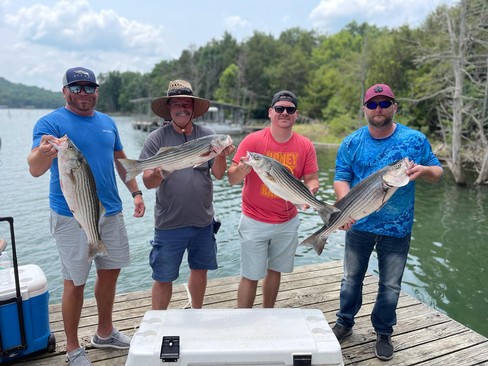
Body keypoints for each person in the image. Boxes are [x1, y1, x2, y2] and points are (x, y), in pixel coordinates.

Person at [27, 67, 146, 366]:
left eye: (89, 87)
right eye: (77, 87)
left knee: (110, 271)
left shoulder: (107, 122)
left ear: (97, 91)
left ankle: (104, 333)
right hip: (71, 215)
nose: (84, 93)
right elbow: (35, 167)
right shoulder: (50, 122)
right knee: (74, 282)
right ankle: (71, 348)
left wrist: (136, 192)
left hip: (110, 211)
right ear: (65, 91)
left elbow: (121, 162)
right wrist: (44, 153)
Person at [331, 83, 443, 361]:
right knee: (350, 279)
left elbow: (438, 172)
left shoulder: (414, 140)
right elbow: (341, 177)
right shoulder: (351, 143)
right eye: (372, 104)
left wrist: (424, 169)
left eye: (384, 103)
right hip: (360, 226)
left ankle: (383, 332)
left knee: (391, 285)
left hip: (398, 230)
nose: (378, 109)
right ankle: (344, 322)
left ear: (394, 106)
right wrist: (346, 210)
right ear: (365, 109)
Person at [140, 79, 235, 310]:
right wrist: (163, 169)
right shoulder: (157, 138)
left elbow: (220, 174)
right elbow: (148, 182)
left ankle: (196, 313)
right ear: (169, 107)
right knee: (163, 277)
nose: (182, 108)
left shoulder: (209, 135)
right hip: (169, 223)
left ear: (193, 108)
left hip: (203, 221)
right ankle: (158, 322)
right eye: (176, 104)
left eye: (187, 103)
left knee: (199, 270)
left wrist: (221, 153)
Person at [227, 90, 320, 308]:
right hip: (254, 220)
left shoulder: (305, 145)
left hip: (287, 221)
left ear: (296, 114)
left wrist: (310, 192)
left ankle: (268, 314)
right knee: (250, 275)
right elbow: (231, 179)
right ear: (270, 112)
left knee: (274, 271)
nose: (284, 113)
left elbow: (312, 179)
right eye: (279, 109)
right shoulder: (253, 141)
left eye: (290, 109)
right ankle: (244, 320)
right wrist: (242, 169)